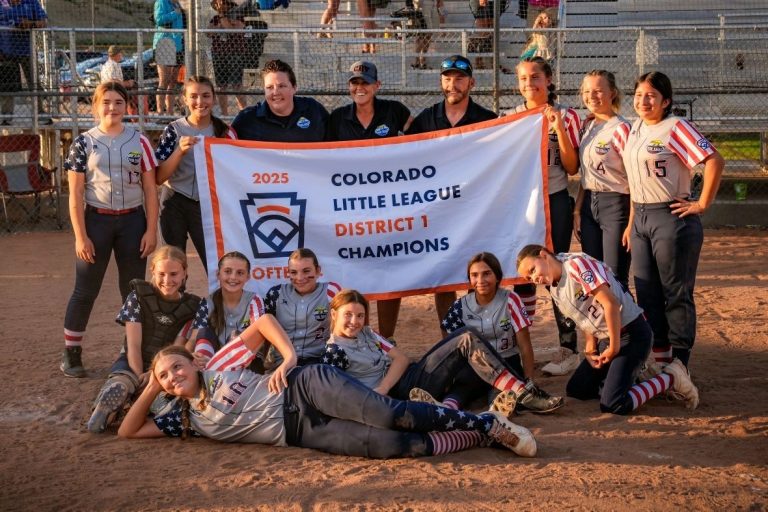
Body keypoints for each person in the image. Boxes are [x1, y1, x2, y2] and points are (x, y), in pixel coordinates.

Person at [118, 345, 537, 458]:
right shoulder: (184, 419)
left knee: (389, 414)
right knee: (391, 446)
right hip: (300, 431)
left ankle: (483, 423)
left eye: (176, 367)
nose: (173, 376)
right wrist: (152, 388)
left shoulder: (220, 362)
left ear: (192, 362)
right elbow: (129, 430)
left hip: (304, 387)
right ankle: (475, 435)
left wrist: (288, 358)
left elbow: (262, 323)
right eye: (165, 377)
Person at [615, 71, 724, 369]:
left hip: (671, 218)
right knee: (647, 292)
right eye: (639, 95)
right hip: (641, 219)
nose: (643, 101)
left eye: (651, 95)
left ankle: (680, 365)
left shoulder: (676, 127)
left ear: (666, 101)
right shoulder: (635, 128)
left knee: (675, 293)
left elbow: (714, 160)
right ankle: (661, 362)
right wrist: (631, 222)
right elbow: (638, 182)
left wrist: (701, 204)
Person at [516, 244, 700, 413]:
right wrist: (591, 346)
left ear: (543, 255)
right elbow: (585, 315)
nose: (534, 278)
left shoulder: (575, 265)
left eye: (533, 270)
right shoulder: (554, 287)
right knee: (577, 389)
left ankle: (670, 378)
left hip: (632, 334)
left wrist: (613, 347)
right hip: (608, 338)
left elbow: (610, 304)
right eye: (529, 278)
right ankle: (635, 376)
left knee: (613, 403)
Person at [324, 289, 563, 416]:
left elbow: (401, 358)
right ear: (334, 314)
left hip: (404, 378)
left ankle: (452, 405)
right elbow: (340, 395)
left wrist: (385, 384)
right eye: (348, 315)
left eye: (360, 315)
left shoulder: (368, 332)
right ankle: (521, 392)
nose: (354, 321)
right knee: (466, 339)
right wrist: (384, 391)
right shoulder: (335, 351)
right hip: (398, 391)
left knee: (468, 350)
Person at [61, 82, 159, 378]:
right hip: (97, 221)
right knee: (85, 289)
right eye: (106, 102)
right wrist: (81, 236)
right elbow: (75, 194)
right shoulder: (84, 143)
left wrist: (151, 230)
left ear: (127, 105)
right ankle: (72, 353)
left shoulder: (139, 140)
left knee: (131, 291)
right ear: (96, 105)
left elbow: (151, 191)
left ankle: (128, 350)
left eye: (118, 102)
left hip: (132, 221)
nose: (112, 108)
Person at [403, 55, 497, 337]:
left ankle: (482, 331)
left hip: (474, 211)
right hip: (438, 212)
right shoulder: (426, 118)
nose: (452, 84)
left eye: (459, 78)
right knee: (443, 276)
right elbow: (404, 160)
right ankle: (450, 338)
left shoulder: (487, 120)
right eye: (447, 78)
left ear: (471, 82)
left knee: (476, 271)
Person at [505, 56, 580, 376]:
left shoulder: (567, 115)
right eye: (523, 79)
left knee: (555, 274)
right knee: (523, 275)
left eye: (535, 77)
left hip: (555, 201)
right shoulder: (508, 118)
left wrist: (558, 127)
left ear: (549, 80)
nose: (529, 84)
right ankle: (524, 349)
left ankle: (568, 349)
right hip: (522, 206)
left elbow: (572, 166)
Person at [86, 246, 202, 433]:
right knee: (123, 382)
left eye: (173, 274)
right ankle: (109, 406)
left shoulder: (194, 306)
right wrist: (140, 375)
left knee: (162, 398)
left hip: (168, 366)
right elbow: (133, 344)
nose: (167, 280)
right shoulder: (137, 296)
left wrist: (155, 374)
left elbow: (179, 348)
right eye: (161, 274)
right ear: (152, 272)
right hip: (133, 360)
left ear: (184, 273)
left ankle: (135, 405)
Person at [440, 252, 563, 412]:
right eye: (474, 275)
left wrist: (529, 381)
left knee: (502, 398)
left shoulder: (511, 300)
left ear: (497, 276)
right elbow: (447, 337)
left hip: (506, 362)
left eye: (486, 274)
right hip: (475, 364)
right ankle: (444, 411)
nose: (480, 280)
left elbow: (525, 345)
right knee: (460, 390)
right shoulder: (460, 306)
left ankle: (496, 415)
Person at [154, 75, 237, 273]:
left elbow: (236, 172)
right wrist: (179, 152)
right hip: (174, 200)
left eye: (206, 96)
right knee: (171, 264)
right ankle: (175, 302)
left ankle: (220, 304)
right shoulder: (174, 130)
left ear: (214, 99)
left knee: (218, 266)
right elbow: (159, 177)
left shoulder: (225, 132)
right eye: (194, 96)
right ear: (184, 99)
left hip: (208, 204)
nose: (200, 102)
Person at [573, 70, 631, 289]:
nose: (591, 96)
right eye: (587, 91)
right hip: (589, 203)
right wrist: (578, 209)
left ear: (612, 93)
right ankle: (603, 323)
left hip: (616, 203)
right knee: (593, 274)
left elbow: (635, 180)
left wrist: (632, 222)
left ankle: (627, 324)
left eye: (598, 91)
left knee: (615, 277)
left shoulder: (621, 128)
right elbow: (586, 174)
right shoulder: (587, 126)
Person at [263, 248, 342, 367]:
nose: (300, 278)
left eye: (306, 271)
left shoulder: (331, 291)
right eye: (294, 272)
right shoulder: (276, 294)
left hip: (320, 361)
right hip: (284, 363)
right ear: (288, 272)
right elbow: (263, 331)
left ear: (318, 271)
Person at [189, 251, 265, 367]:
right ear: (218, 274)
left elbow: (258, 336)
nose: (233, 277)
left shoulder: (254, 299)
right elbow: (194, 339)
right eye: (227, 271)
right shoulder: (207, 302)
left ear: (247, 277)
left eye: (240, 273)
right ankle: (205, 375)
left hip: (244, 362)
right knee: (204, 332)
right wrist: (189, 356)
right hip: (211, 363)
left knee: (237, 336)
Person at [231, 59, 328, 142]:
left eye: (281, 86)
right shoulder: (246, 119)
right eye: (269, 87)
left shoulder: (313, 109)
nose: (275, 92)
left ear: (294, 88)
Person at [327, 61, 412, 141]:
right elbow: (327, 151)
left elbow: (419, 138)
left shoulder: (395, 110)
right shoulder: (338, 117)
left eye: (365, 82)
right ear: (348, 86)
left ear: (377, 85)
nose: (359, 88)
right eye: (355, 83)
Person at [0, 0, 48, 124]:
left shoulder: (31, 2)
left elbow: (43, 22)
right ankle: (6, 117)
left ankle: (40, 114)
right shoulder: (1, 3)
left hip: (27, 51)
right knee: (7, 85)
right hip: (6, 52)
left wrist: (29, 24)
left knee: (34, 83)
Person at [208, 0, 247, 116]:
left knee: (236, 85)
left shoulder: (238, 16)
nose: (219, 6)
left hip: (234, 53)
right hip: (219, 54)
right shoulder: (215, 18)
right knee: (222, 86)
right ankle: (225, 114)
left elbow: (231, 29)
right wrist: (221, 23)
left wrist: (223, 19)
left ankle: (244, 113)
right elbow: (209, 32)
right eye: (218, 4)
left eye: (222, 3)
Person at [153, 0, 185, 115]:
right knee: (164, 80)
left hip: (178, 45)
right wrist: (175, 13)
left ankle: (170, 112)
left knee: (172, 81)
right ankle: (160, 112)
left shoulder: (177, 4)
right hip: (165, 43)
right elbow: (159, 20)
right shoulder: (162, 2)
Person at [468, 0, 508, 70]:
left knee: (491, 34)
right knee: (484, 33)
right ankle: (479, 61)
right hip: (484, 5)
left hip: (496, 3)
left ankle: (492, 62)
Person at [99, 46, 138, 115]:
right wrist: (128, 83)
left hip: (109, 93)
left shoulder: (108, 65)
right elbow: (112, 82)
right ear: (116, 54)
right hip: (114, 93)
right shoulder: (113, 65)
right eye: (120, 53)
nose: (121, 55)